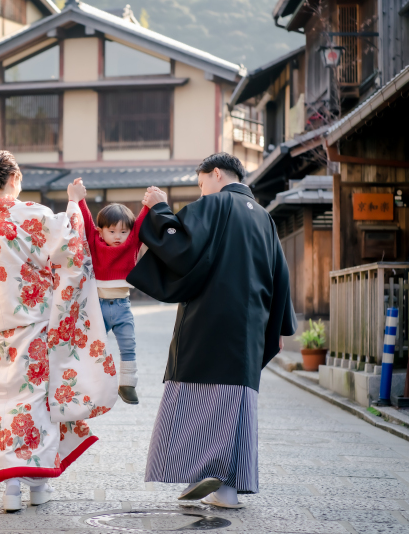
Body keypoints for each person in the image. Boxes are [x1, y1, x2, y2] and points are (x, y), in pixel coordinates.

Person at [0, 150, 119, 512]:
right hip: (34, 326)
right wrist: (73, 205)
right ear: (14, 179)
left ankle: (10, 491)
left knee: (2, 402)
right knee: (37, 402)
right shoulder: (34, 216)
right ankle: (39, 487)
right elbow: (72, 248)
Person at [127, 153, 296, 509]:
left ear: (216, 174)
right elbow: (280, 276)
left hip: (210, 319)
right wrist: (277, 327)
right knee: (236, 403)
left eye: (201, 182)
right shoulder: (264, 218)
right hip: (251, 327)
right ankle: (227, 490)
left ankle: (201, 472)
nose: (201, 191)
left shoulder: (218, 205)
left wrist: (159, 209)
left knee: (196, 397)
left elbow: (183, 247)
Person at [68, 178, 148, 404]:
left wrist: (149, 205)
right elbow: (85, 220)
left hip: (122, 307)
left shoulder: (131, 244)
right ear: (101, 231)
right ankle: (87, 385)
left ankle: (127, 384)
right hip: (98, 307)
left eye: (123, 231)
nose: (117, 236)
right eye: (112, 231)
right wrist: (79, 197)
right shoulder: (95, 242)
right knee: (91, 347)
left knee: (128, 345)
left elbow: (141, 224)